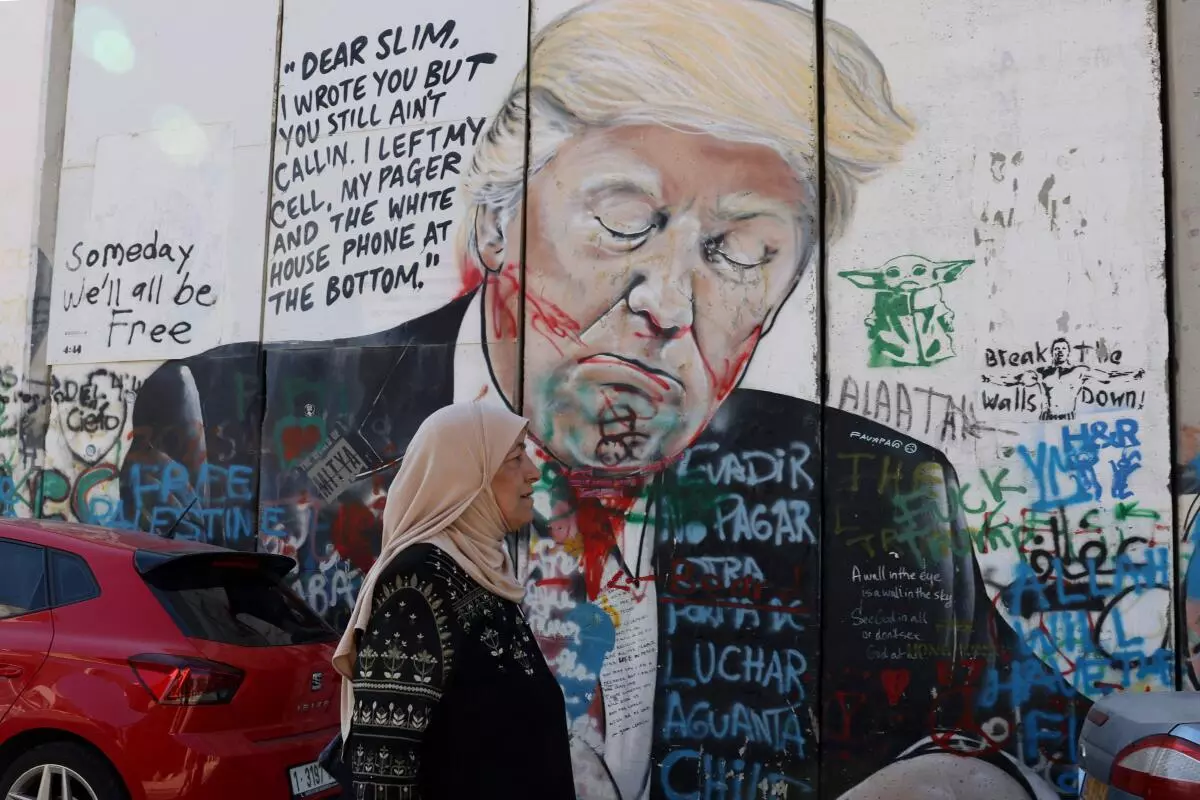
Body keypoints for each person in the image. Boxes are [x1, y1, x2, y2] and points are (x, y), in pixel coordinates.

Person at [117, 1, 1087, 797]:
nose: (666, 301)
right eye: (624, 222)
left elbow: (1033, 725)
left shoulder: (876, 486)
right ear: (497, 220)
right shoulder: (230, 417)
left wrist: (970, 772)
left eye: (743, 252)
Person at [331, 401, 574, 799]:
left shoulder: (482, 573)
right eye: (515, 457)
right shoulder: (417, 584)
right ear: (466, 477)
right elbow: (383, 772)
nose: (534, 471)